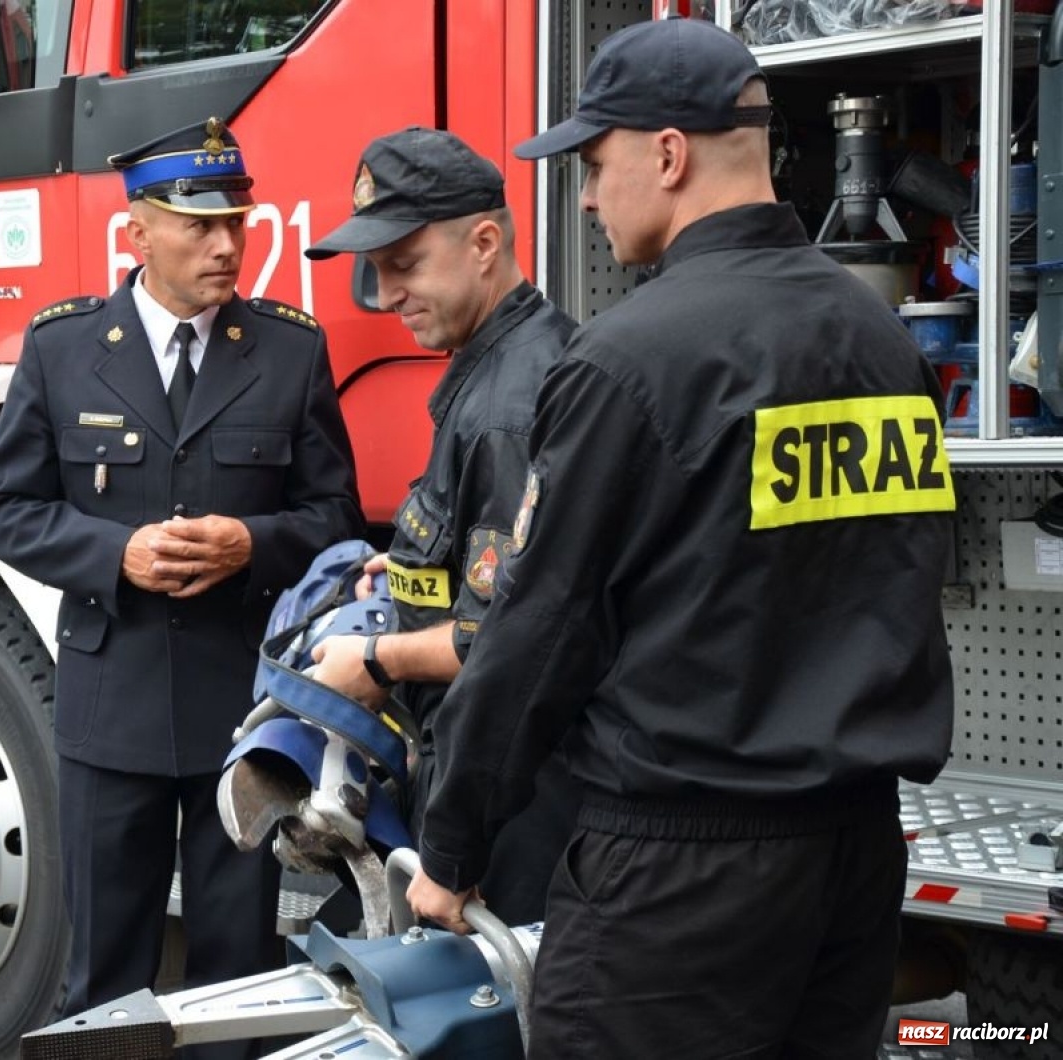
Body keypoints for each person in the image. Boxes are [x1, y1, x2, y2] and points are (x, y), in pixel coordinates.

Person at [407, 18, 955, 1058]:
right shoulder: (877, 335)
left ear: (667, 155)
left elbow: (537, 632)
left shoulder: (628, 358)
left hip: (677, 874)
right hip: (851, 857)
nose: (580, 196)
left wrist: (452, 841)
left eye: (593, 163)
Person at [0, 117, 362, 1055]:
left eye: (237, 220)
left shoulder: (287, 351)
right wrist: (116, 556)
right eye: (201, 226)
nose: (227, 244)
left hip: (244, 715)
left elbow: (335, 522)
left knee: (240, 976)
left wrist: (251, 545)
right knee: (104, 978)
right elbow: (3, 510)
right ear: (138, 234)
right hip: (113, 712)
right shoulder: (64, 349)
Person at [299, 127, 581, 926]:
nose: (386, 295)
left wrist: (376, 662)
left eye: (404, 265)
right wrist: (420, 569)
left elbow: (501, 639)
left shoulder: (506, 407)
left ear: (484, 242)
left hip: (516, 806)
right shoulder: (511, 358)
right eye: (377, 271)